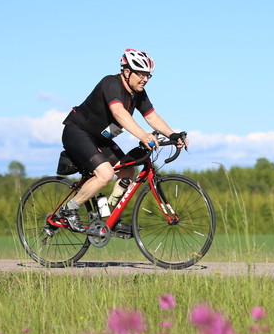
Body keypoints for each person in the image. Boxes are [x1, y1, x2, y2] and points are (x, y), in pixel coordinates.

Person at [58, 48, 187, 232]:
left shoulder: (138, 92)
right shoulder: (110, 83)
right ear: (127, 72)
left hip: (101, 139)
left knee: (127, 171)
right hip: (78, 132)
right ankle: (69, 210)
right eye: (141, 74)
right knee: (105, 174)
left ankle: (109, 216)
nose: (145, 79)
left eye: (148, 75)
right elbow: (119, 113)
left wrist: (172, 135)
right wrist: (143, 135)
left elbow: (151, 117)